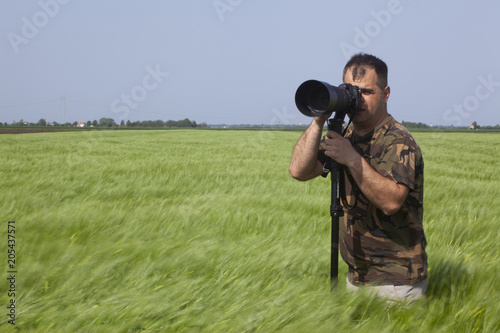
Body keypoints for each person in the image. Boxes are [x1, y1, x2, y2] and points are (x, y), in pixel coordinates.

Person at [289, 53, 428, 302]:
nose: (358, 99)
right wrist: (319, 118)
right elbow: (299, 170)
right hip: (357, 277)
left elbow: (391, 202)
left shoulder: (398, 139)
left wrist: (351, 158)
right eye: (351, 91)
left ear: (385, 94)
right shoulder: (345, 135)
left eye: (367, 91)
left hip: (396, 281)